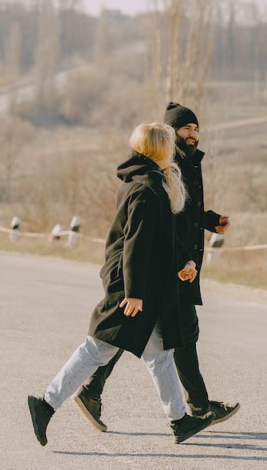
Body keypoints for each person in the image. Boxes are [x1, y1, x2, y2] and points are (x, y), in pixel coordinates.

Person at [27, 122, 216, 446]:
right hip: (129, 285)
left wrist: (184, 262)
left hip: (143, 285)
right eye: (169, 144)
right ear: (158, 148)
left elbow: (163, 236)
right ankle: (45, 404)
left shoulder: (153, 182)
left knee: (159, 353)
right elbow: (136, 244)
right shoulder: (146, 187)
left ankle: (179, 421)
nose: (173, 150)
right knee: (97, 349)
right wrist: (134, 294)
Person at [75, 102, 240, 432]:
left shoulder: (188, 163)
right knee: (177, 333)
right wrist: (181, 261)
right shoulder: (168, 163)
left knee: (144, 331)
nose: (193, 134)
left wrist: (209, 221)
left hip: (180, 261)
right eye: (186, 129)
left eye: (196, 129)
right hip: (171, 264)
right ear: (171, 134)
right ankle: (198, 406)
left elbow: (183, 211)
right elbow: (162, 222)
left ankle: (93, 389)